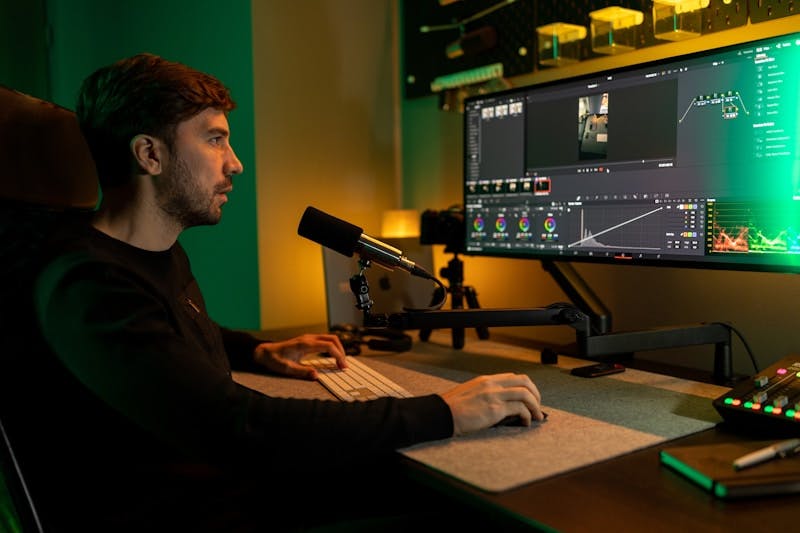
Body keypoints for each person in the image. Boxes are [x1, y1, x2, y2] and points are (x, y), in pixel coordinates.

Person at [9, 53, 544, 532]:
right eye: (215, 139)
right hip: (188, 512)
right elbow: (244, 428)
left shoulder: (137, 257)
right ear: (149, 154)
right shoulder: (86, 287)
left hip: (219, 487)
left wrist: (252, 350)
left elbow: (165, 334)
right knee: (463, 507)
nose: (235, 162)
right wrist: (446, 411)